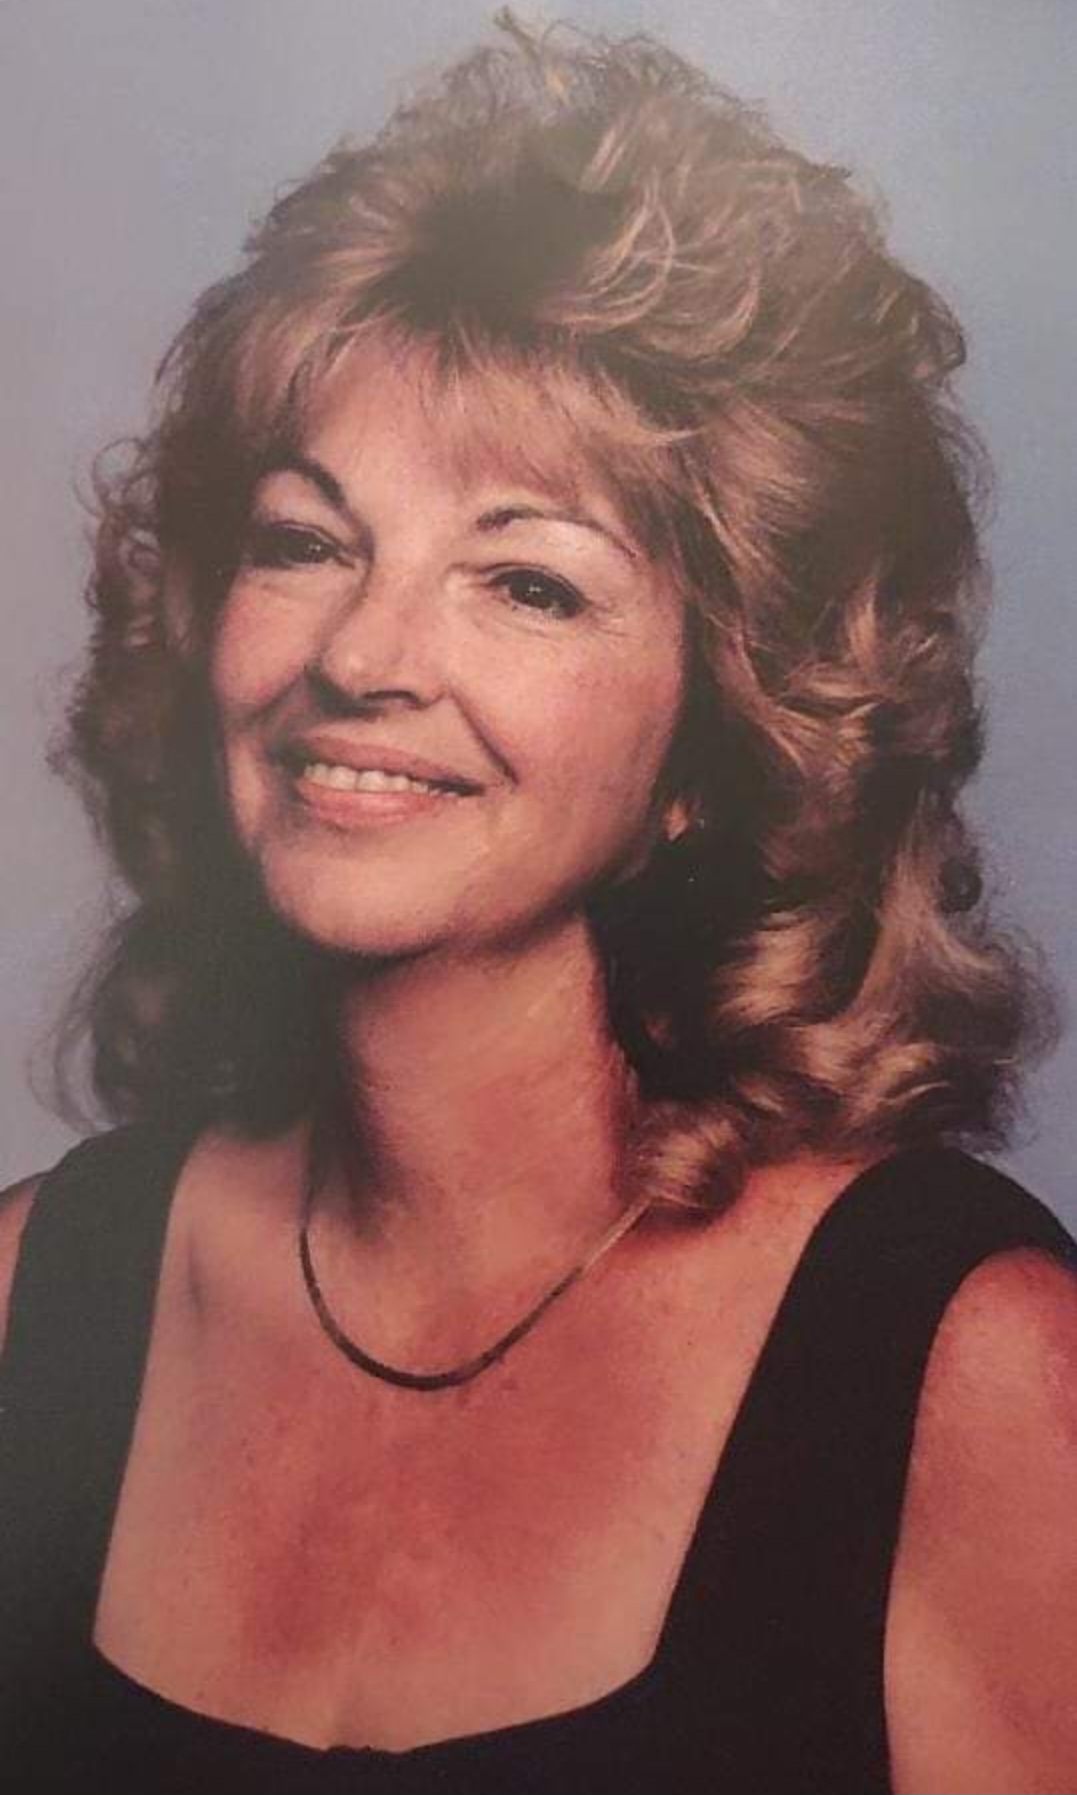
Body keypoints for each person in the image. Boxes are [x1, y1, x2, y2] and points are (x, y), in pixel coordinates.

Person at [2, 15, 1075, 1792]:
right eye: (305, 540)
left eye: (525, 582)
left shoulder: (970, 1373)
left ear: (715, 740)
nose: (362, 654)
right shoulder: (38, 1298)